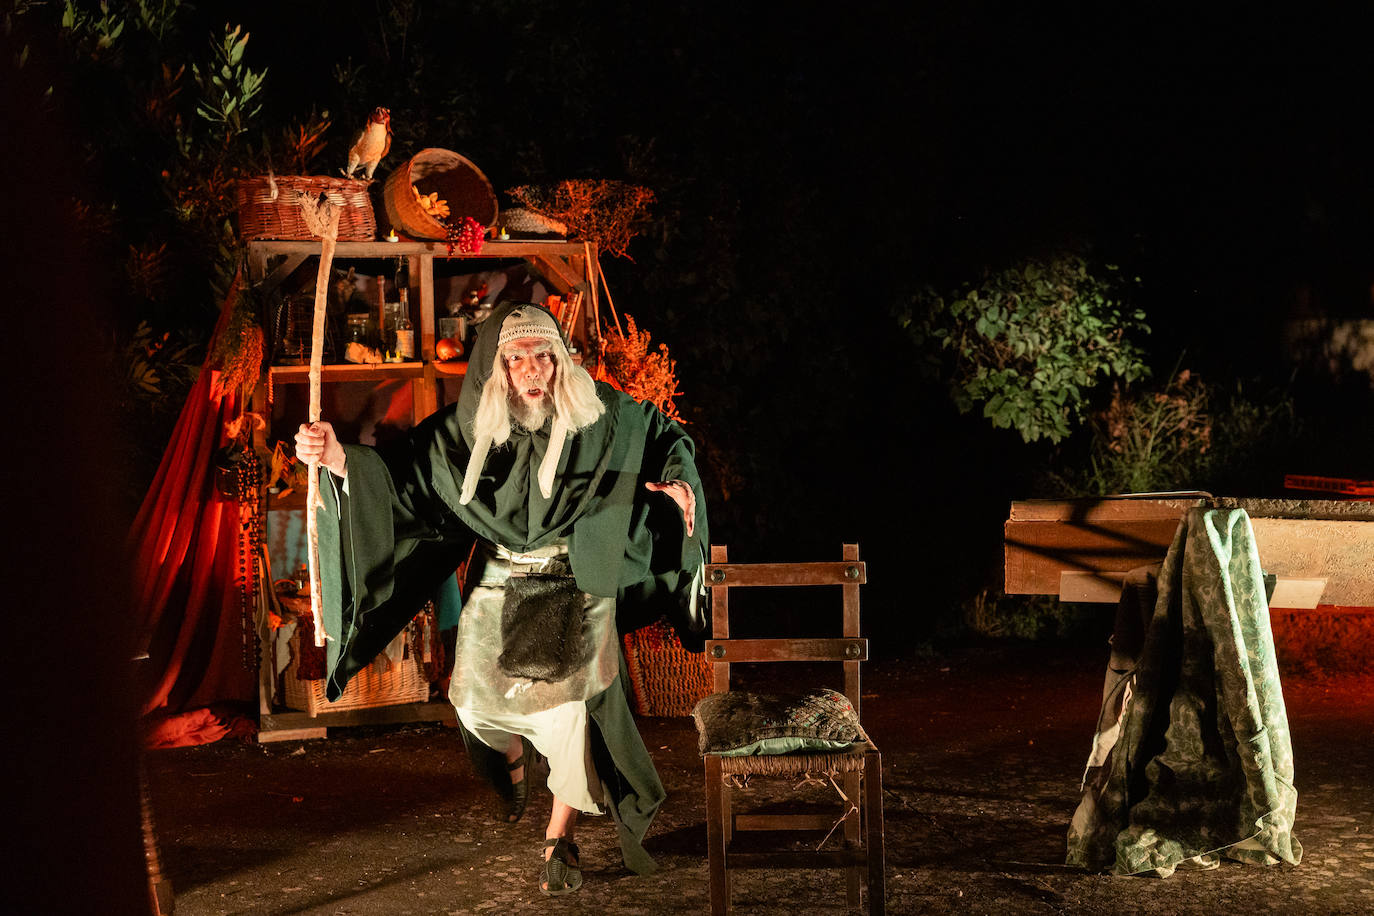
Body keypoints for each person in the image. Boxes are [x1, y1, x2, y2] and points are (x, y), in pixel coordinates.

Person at [294, 302, 707, 896]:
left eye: (544, 356)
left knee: (570, 713)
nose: (533, 369)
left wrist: (679, 483)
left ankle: (559, 837)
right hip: (500, 581)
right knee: (472, 704)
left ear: (561, 360)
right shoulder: (463, 430)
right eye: (517, 359)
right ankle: (513, 762)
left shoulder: (605, 413)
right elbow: (402, 479)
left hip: (575, 581)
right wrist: (335, 458)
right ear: (497, 368)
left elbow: (667, 437)